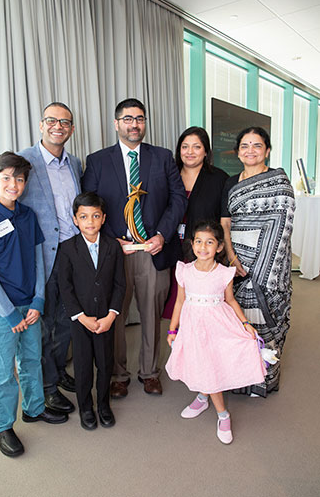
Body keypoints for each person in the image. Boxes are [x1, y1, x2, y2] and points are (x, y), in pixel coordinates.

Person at [0, 102, 82, 415]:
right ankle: (46, 389)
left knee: (64, 324)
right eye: (52, 120)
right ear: (41, 125)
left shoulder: (75, 163)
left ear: (71, 128)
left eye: (65, 122)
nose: (58, 126)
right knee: (38, 332)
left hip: (72, 256)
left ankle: (54, 375)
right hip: (41, 257)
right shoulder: (21, 163)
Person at [82, 98, 187, 397]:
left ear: (145, 122)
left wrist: (162, 236)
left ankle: (150, 371)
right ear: (116, 124)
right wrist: (112, 239)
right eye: (127, 119)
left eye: (139, 118)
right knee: (115, 314)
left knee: (152, 315)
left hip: (153, 249)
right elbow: (90, 204)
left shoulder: (163, 157)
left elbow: (177, 199)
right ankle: (118, 373)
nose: (134, 124)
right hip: (115, 251)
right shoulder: (98, 160)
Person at [0, 152, 67, 458]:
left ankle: (34, 408)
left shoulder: (28, 216)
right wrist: (9, 312)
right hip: (4, 311)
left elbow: (39, 261)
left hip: (31, 305)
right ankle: (1, 426)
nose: (13, 184)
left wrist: (38, 300)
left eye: (19, 179)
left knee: (31, 360)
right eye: (6, 178)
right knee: (3, 370)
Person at [165, 220, 266, 444]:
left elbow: (230, 300)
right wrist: (173, 329)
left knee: (211, 366)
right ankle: (203, 396)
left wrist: (245, 323)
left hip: (217, 326)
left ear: (219, 247)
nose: (203, 247)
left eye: (209, 242)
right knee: (199, 363)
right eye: (198, 242)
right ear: (192, 244)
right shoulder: (184, 270)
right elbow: (180, 302)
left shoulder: (224, 273)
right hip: (193, 326)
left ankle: (223, 415)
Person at [221, 127, 295, 397]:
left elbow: (282, 226)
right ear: (238, 151)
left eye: (256, 145)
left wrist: (263, 267)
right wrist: (231, 256)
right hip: (238, 262)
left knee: (268, 318)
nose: (250, 150)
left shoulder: (279, 182)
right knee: (238, 320)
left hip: (271, 266)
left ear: (267, 150)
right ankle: (240, 378)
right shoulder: (230, 183)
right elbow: (225, 224)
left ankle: (265, 378)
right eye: (244, 145)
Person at [57, 192, 126, 430]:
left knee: (106, 365)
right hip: (81, 321)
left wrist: (111, 315)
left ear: (104, 218)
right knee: (84, 366)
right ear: (75, 219)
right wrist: (81, 316)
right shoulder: (67, 249)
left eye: (95, 216)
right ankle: (86, 408)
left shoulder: (113, 247)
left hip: (106, 319)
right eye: (84, 216)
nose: (90, 221)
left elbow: (120, 284)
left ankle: (104, 406)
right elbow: (65, 287)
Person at [163, 126, 228, 318]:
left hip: (201, 252)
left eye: (196, 147)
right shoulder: (168, 174)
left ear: (206, 151)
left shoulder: (219, 178)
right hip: (170, 248)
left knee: (201, 306)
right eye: (185, 147)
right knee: (175, 304)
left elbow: (223, 219)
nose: (189, 152)